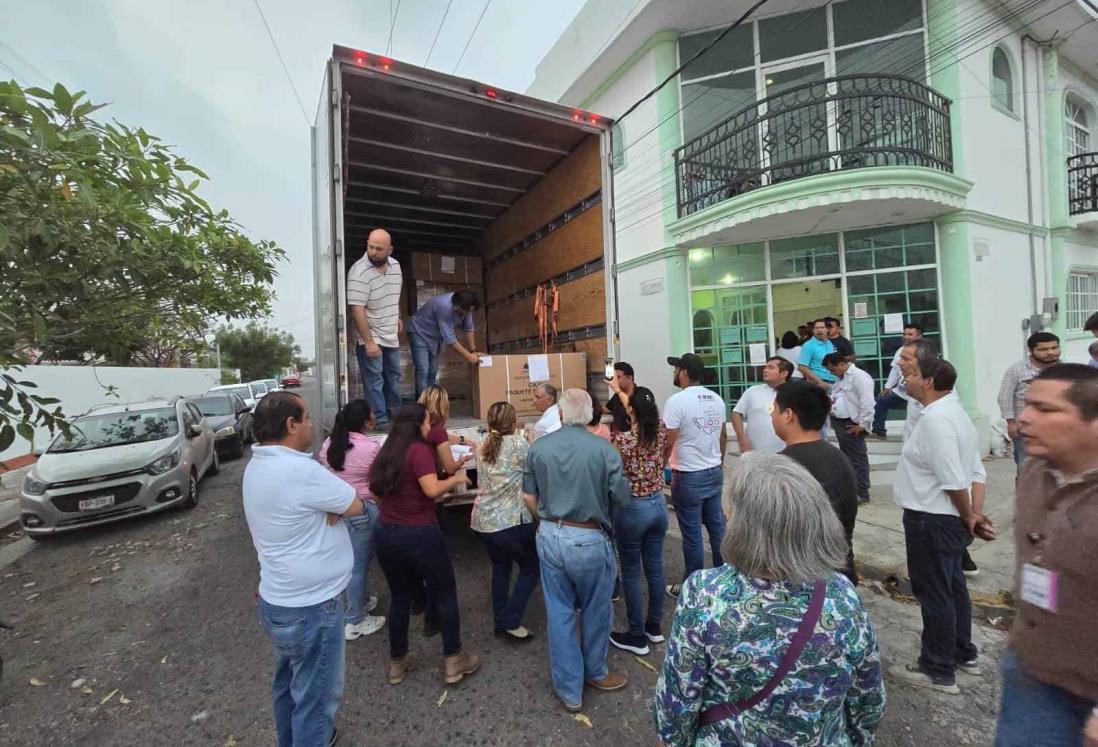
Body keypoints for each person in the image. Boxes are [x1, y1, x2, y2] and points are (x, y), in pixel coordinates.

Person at [652, 454, 885, 746]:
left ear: (741, 526)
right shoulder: (842, 595)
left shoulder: (705, 594)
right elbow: (868, 699)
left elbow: (678, 698)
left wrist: (671, 739)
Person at [243, 391, 365, 746]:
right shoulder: (299, 469)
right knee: (316, 699)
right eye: (307, 417)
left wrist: (332, 505)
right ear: (291, 424)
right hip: (313, 607)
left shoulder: (260, 463)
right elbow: (355, 505)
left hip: (280, 601)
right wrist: (335, 505)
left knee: (288, 687)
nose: (312, 424)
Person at [994, 364, 1098, 746]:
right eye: (1026, 405)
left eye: (1045, 409)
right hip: (1033, 668)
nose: (1024, 418)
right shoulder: (1035, 469)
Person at [889, 358, 996, 695]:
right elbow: (976, 472)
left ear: (930, 381)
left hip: (931, 519)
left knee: (935, 593)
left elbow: (953, 479)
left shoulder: (937, 419)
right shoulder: (952, 414)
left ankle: (937, 667)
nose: (906, 380)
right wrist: (973, 513)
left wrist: (969, 516)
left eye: (913, 375)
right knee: (952, 589)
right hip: (944, 517)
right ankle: (963, 653)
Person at [522, 389, 632, 712]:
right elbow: (622, 497)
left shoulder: (539, 448)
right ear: (588, 414)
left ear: (560, 413)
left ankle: (570, 690)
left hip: (549, 534)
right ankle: (596, 671)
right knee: (597, 609)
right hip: (589, 538)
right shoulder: (603, 449)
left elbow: (528, 497)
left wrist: (545, 522)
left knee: (559, 611)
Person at [368, 404, 480, 686]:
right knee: (444, 591)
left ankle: (397, 662)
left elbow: (375, 490)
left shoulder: (388, 449)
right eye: (429, 423)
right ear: (417, 424)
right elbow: (431, 489)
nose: (431, 428)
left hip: (386, 532)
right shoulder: (419, 451)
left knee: (400, 597)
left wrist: (397, 508)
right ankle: (454, 660)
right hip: (419, 532)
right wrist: (455, 478)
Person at [771, 380, 860, 584]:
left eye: (773, 409)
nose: (771, 415)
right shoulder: (839, 457)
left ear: (788, 415)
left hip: (800, 580)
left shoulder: (780, 467)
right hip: (839, 571)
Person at [605, 383, 668, 656]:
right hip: (658, 506)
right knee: (654, 568)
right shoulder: (661, 430)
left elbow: (612, 472)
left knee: (631, 571)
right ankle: (654, 627)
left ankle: (636, 634)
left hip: (633, 509)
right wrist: (618, 389)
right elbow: (639, 407)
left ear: (632, 412)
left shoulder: (625, 441)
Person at [318, 399, 386, 640]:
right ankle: (355, 621)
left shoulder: (329, 444)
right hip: (362, 510)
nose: (376, 416)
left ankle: (363, 601)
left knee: (350, 561)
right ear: (366, 421)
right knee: (358, 566)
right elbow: (379, 482)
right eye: (372, 414)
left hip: (339, 510)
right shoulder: (370, 447)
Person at [471, 401, 538, 643]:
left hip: (483, 520)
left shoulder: (485, 444)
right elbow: (534, 472)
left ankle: (500, 619)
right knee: (531, 568)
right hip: (511, 520)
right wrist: (530, 438)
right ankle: (511, 620)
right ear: (513, 421)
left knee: (501, 567)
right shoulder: (519, 444)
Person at [663, 353, 728, 599]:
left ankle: (693, 587)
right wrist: (719, 463)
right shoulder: (716, 399)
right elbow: (722, 436)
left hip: (688, 474)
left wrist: (659, 467)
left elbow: (669, 440)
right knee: (717, 529)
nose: (674, 373)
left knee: (692, 535)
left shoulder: (677, 401)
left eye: (676, 369)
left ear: (684, 373)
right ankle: (725, 581)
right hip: (713, 472)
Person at [347, 228, 403, 430]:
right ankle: (380, 421)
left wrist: (396, 315)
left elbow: (393, 295)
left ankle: (396, 416)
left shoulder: (396, 267)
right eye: (370, 246)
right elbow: (357, 310)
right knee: (375, 381)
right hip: (371, 338)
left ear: (390, 250)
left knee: (394, 378)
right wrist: (369, 342)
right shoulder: (358, 273)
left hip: (390, 335)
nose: (373, 252)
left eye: (379, 249)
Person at [998, 331, 1061, 467]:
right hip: (1027, 429)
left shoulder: (1065, 368)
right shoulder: (1017, 370)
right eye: (1043, 349)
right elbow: (1005, 397)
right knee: (1027, 467)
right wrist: (1011, 422)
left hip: (1058, 428)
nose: (1050, 352)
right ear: (1031, 351)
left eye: (1054, 348)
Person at [407, 288, 481, 399]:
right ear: (457, 306)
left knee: (433, 370)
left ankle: (431, 402)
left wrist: (473, 350)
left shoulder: (466, 306)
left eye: (470, 311)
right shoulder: (444, 307)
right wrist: (468, 356)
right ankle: (422, 407)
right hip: (419, 332)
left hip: (436, 337)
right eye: (467, 311)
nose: (468, 314)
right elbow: (450, 339)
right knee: (423, 369)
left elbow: (469, 327)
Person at [825, 352, 876, 504]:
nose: (831, 373)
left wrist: (863, 424)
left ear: (842, 364)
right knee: (847, 458)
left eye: (832, 369)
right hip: (840, 422)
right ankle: (852, 490)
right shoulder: (841, 378)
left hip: (852, 423)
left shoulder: (859, 377)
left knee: (857, 459)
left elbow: (867, 402)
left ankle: (862, 492)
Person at [730, 356, 792, 455]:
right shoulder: (753, 391)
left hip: (786, 452)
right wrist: (742, 439)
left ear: (784, 373)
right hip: (754, 452)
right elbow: (736, 413)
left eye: (771, 368)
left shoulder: (794, 393)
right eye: (765, 367)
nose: (765, 370)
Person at [872, 322, 924, 438]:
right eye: (905, 334)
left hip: (918, 393)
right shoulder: (901, 350)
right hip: (901, 390)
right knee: (881, 401)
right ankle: (878, 431)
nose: (906, 337)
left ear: (919, 336)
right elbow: (895, 370)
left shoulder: (926, 351)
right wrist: (888, 386)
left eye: (910, 334)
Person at [798, 319, 837, 388]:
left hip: (835, 383)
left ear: (827, 329)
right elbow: (802, 367)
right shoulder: (808, 345)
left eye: (822, 327)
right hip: (818, 384)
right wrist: (820, 382)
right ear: (813, 330)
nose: (819, 330)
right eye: (816, 328)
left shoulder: (829, 343)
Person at [605, 361, 637, 433]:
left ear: (629, 378)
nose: (615, 381)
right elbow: (607, 408)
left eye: (618, 377)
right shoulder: (617, 396)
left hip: (635, 437)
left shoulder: (640, 395)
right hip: (619, 438)